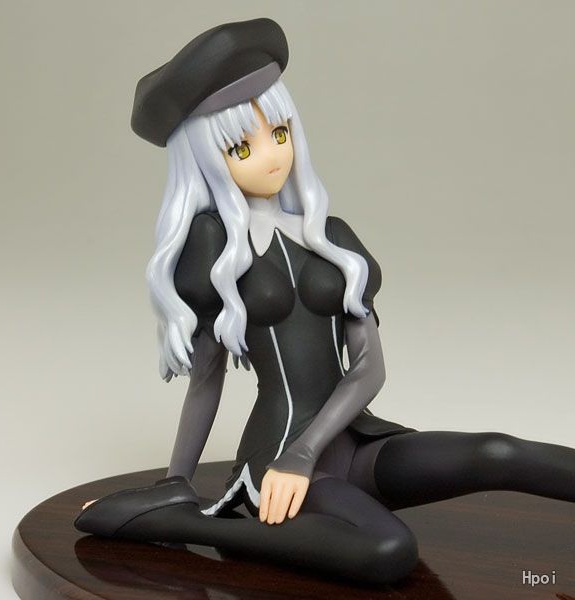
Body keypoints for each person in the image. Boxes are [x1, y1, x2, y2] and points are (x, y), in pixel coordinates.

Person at [75, 18, 575, 585]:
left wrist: (309, 451)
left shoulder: (331, 237)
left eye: (279, 132)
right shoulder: (214, 249)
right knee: (389, 550)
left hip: (354, 442)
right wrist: (176, 483)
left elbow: (369, 369)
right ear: (206, 157)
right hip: (276, 458)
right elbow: (206, 381)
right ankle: (188, 522)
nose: (271, 155)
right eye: (242, 146)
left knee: (497, 451)